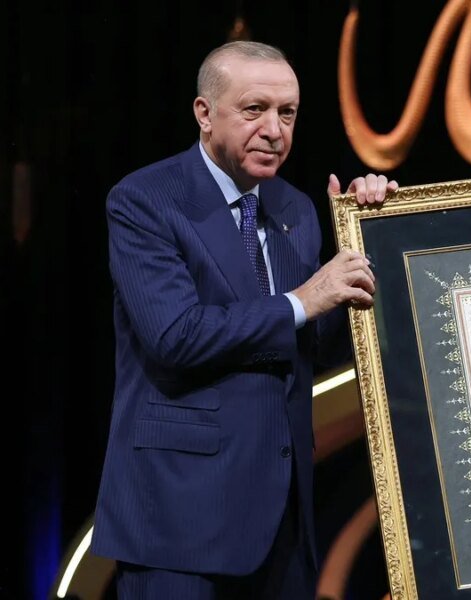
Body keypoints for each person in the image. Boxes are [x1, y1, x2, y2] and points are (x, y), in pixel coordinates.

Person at [91, 40, 397, 599]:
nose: (274, 130)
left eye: (288, 113)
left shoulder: (295, 207)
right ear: (204, 114)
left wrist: (368, 239)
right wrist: (304, 299)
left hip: (281, 522)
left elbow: (313, 346)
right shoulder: (145, 200)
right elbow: (176, 336)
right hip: (179, 521)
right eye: (254, 109)